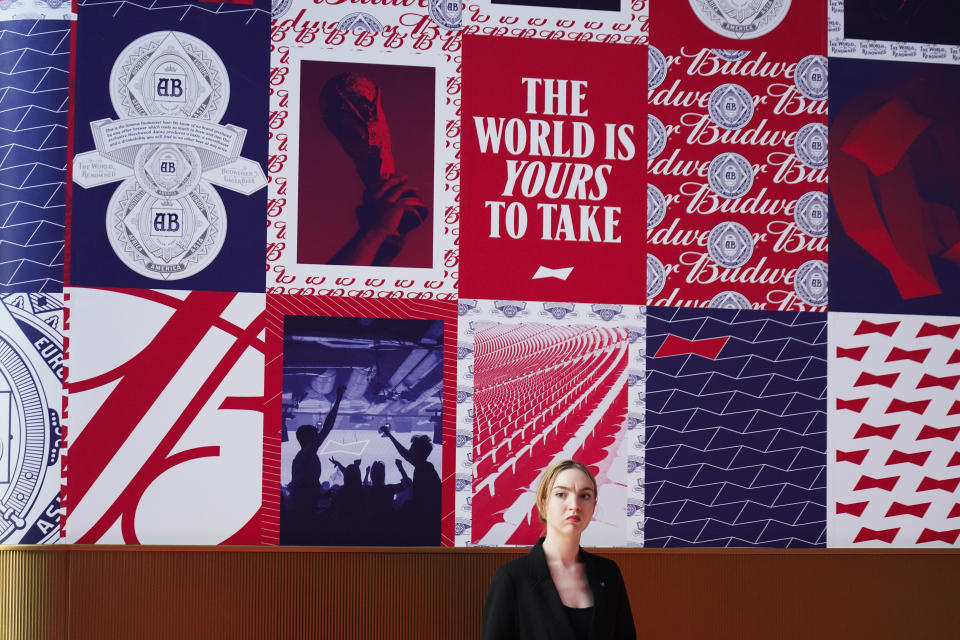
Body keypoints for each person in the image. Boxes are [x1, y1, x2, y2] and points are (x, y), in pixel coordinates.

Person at [481, 460, 635, 640]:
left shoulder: (609, 573)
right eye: (561, 494)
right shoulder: (511, 578)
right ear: (543, 503)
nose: (574, 505)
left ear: (594, 505)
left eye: (584, 496)